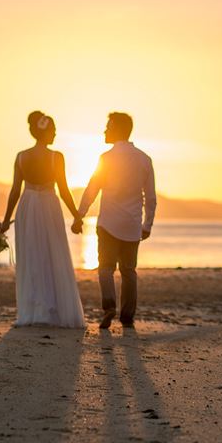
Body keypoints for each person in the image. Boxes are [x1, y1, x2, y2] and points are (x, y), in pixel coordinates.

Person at [0, 111, 86, 328]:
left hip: (27, 206)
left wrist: (5, 221)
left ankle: (35, 309)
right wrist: (76, 215)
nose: (56, 134)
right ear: (46, 132)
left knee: (32, 256)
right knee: (52, 253)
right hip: (48, 206)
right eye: (54, 130)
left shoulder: (21, 156)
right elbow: (64, 190)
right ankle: (51, 308)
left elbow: (14, 192)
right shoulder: (57, 157)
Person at [73, 112, 156, 329]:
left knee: (105, 268)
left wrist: (79, 216)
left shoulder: (106, 159)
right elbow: (151, 197)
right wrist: (148, 224)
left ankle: (109, 306)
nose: (104, 130)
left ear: (118, 128)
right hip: (132, 224)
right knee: (129, 271)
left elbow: (91, 190)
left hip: (108, 223)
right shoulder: (144, 159)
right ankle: (127, 317)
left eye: (108, 126)